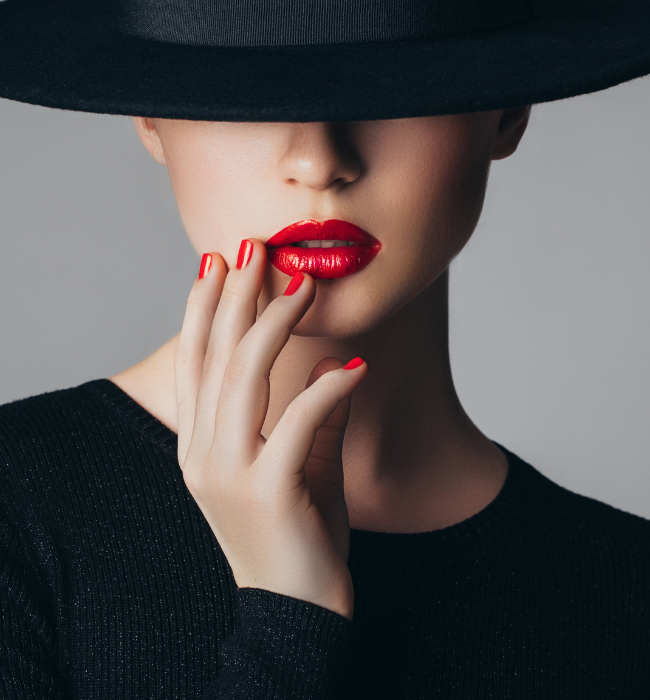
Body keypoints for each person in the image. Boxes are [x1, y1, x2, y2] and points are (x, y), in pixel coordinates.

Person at [1, 0, 649, 698]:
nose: (319, 162)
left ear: (507, 110)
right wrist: (289, 616)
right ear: (150, 116)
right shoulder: (18, 514)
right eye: (243, 90)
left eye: (391, 83)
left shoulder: (627, 595)